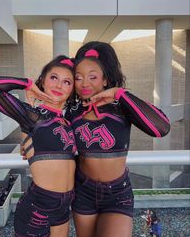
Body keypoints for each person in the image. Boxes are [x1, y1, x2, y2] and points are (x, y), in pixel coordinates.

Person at [66, 41, 170, 237]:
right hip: (83, 191)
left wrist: (118, 93)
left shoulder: (122, 107)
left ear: (105, 79)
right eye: (78, 77)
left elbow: (161, 128)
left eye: (92, 76)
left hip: (117, 194)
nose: (85, 83)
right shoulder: (71, 111)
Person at [0, 55, 76, 237]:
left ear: (72, 89)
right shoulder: (32, 115)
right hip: (39, 205)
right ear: (43, 81)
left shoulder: (68, 121)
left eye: (67, 82)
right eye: (53, 78)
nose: (58, 85)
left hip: (64, 205)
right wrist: (27, 84)